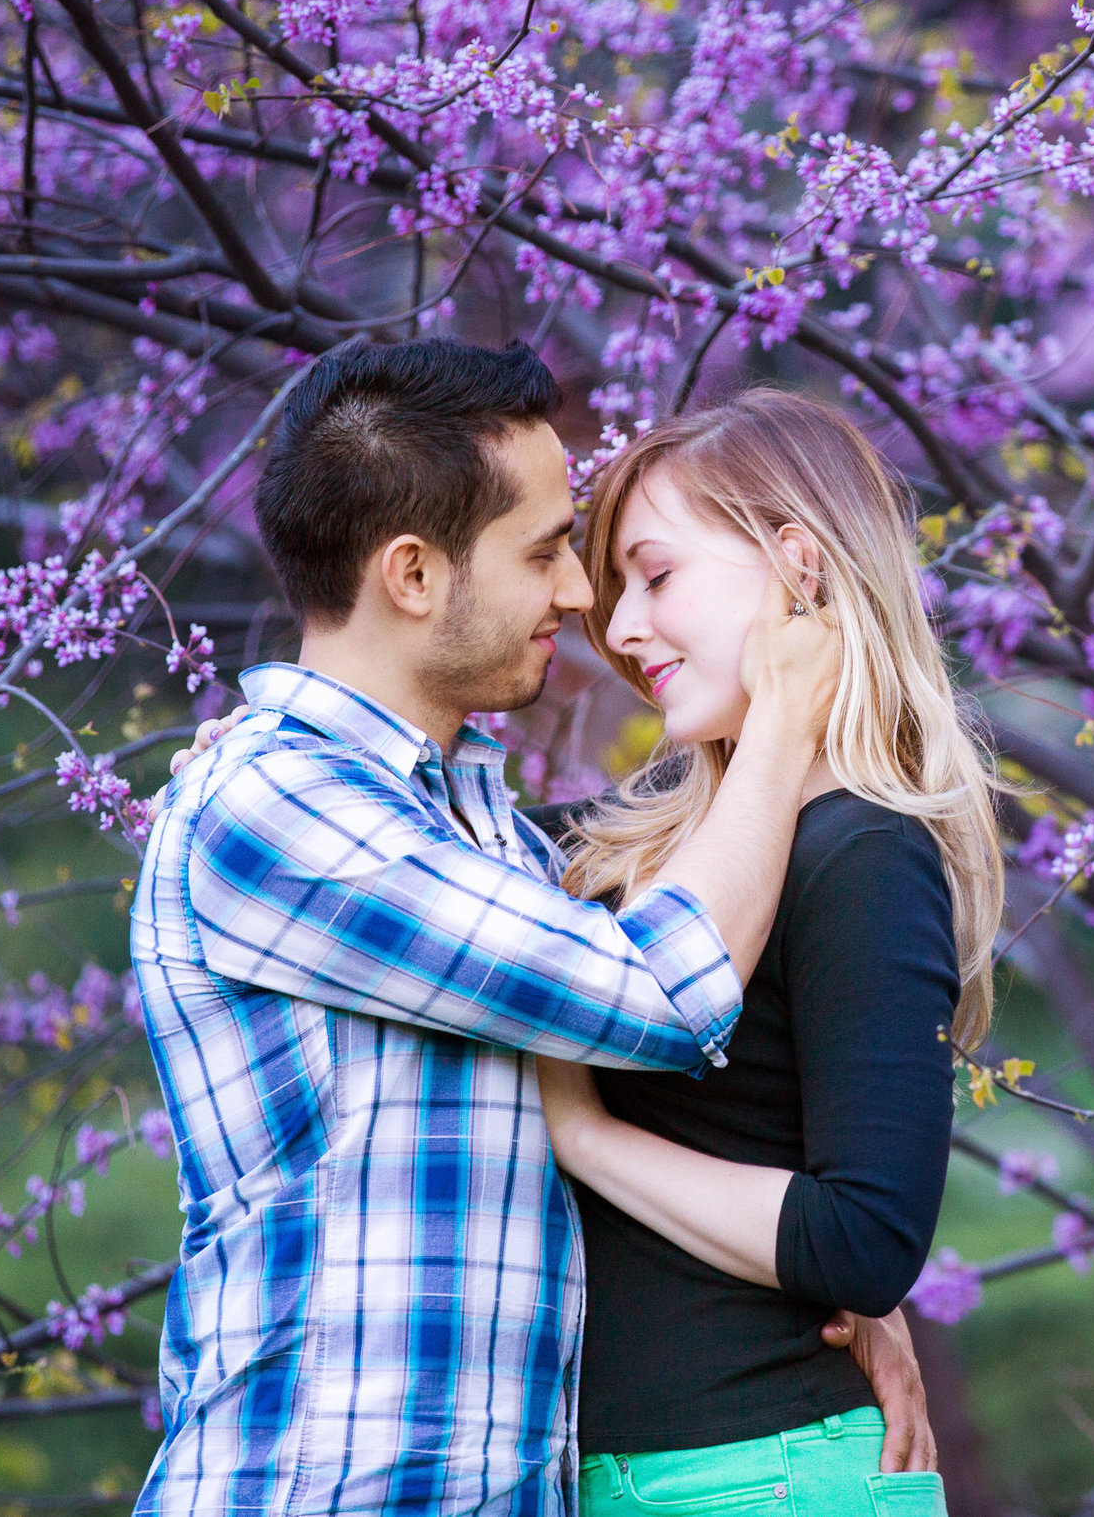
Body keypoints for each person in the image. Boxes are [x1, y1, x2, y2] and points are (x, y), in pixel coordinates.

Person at [129, 337, 891, 1517]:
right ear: (414, 575)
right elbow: (662, 998)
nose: (582, 597)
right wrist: (788, 716)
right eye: (544, 552)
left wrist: (845, 1298)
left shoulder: (490, 841)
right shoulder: (272, 804)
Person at [534, 390, 1001, 1517]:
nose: (622, 628)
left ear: (797, 562)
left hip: (767, 1474)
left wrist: (581, 1135)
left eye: (656, 576)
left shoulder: (863, 849)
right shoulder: (640, 837)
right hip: (631, 1478)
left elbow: (863, 1242)